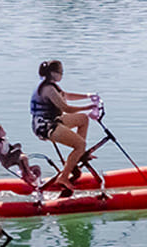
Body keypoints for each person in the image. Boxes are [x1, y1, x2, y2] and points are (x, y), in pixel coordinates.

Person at [30, 59, 99, 193]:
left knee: (83, 119)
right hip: (46, 127)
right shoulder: (48, 89)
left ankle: (78, 156)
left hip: (54, 120)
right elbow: (66, 108)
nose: (62, 74)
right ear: (53, 74)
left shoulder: (52, 86)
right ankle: (64, 177)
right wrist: (89, 106)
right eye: (60, 72)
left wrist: (89, 96)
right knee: (80, 145)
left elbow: (66, 96)